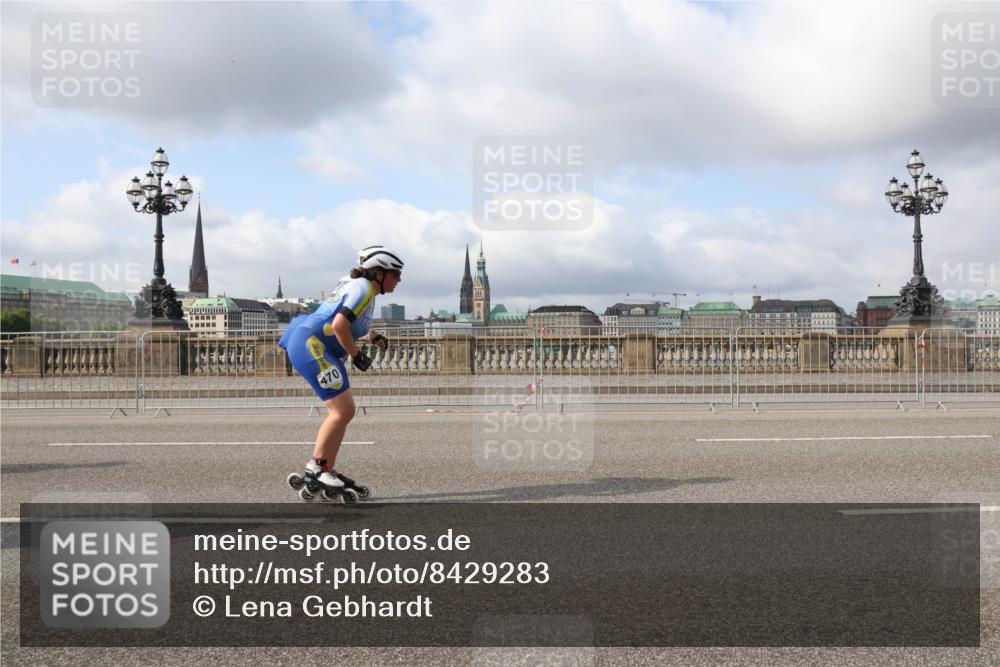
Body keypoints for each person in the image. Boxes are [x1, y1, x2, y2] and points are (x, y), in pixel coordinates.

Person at [280, 245, 403, 501]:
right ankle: (317, 467)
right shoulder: (364, 289)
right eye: (395, 273)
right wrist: (357, 356)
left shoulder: (360, 287)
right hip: (312, 346)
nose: (399, 280)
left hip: (310, 342)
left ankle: (324, 467)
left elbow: (349, 322)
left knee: (343, 412)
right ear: (378, 273)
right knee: (342, 411)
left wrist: (373, 336)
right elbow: (339, 325)